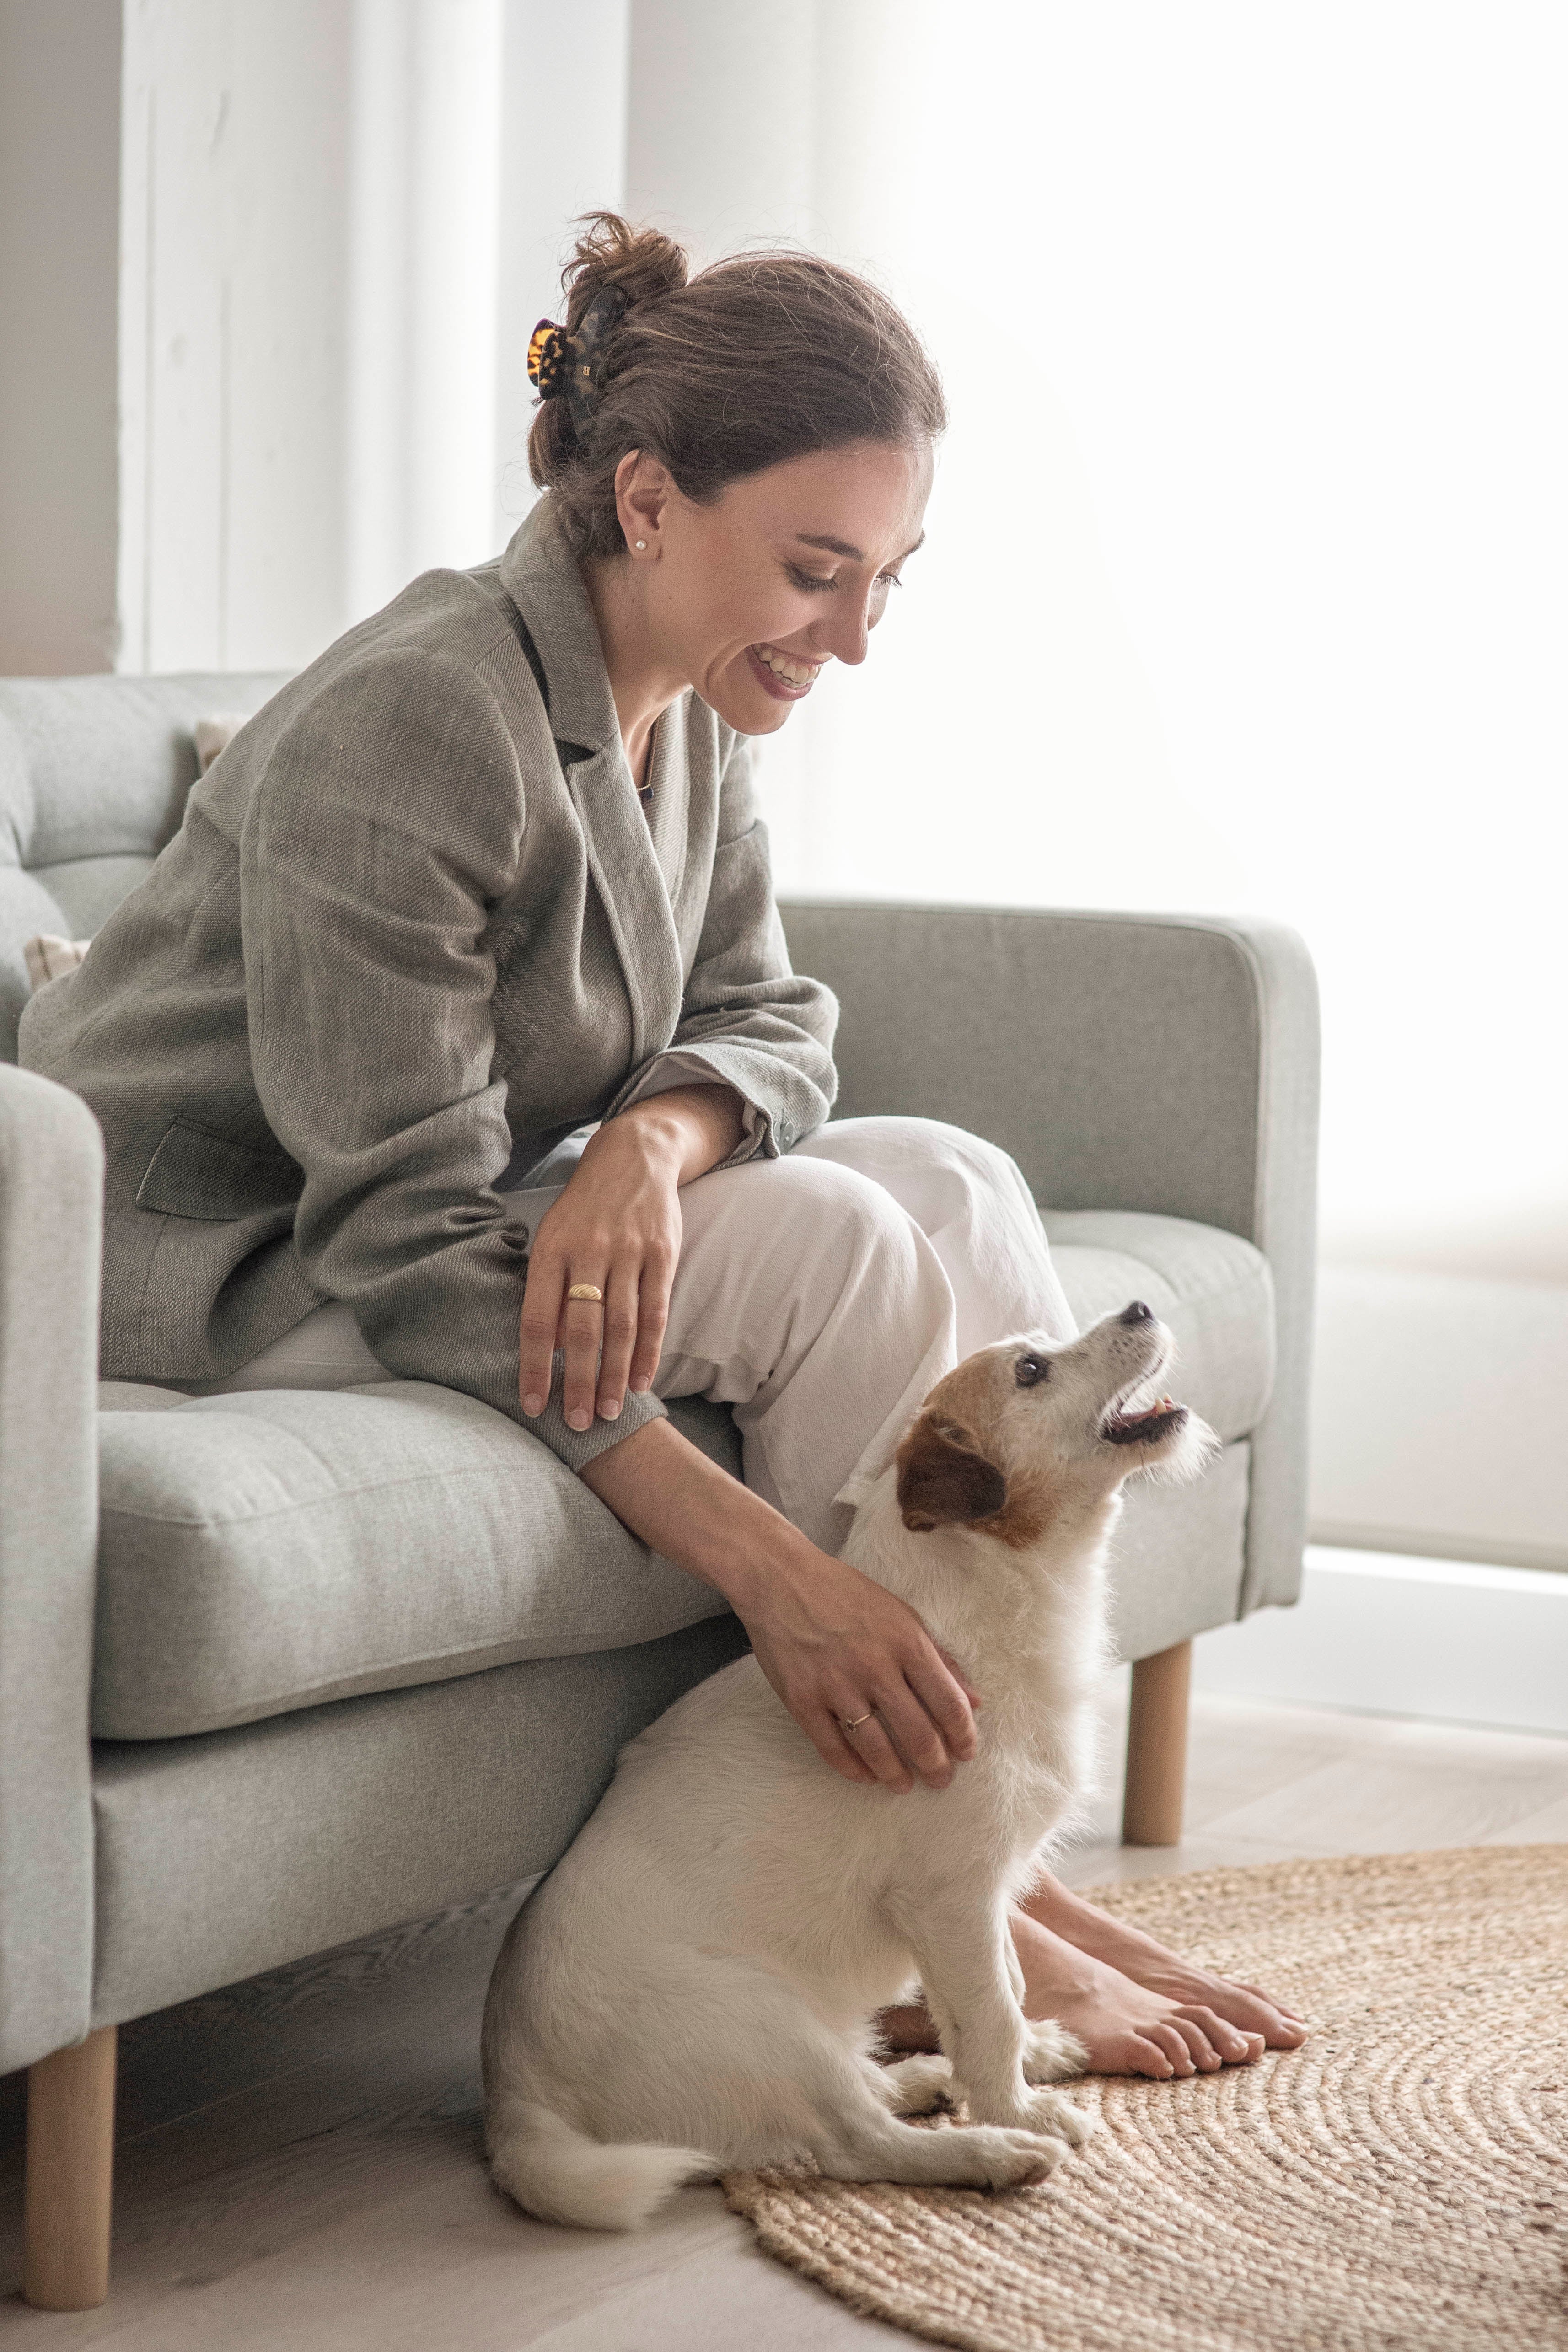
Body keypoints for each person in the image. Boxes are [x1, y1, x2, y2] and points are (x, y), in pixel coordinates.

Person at [21, 213, 1304, 2080]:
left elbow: (774, 1015)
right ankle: (971, 1897)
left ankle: (987, 1857)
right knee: (838, 1240)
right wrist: (788, 1583)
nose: (851, 636)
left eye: (886, 579)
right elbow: (399, 1229)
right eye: (814, 570)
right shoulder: (418, 716)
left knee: (948, 1175)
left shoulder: (689, 705)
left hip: (455, 1199)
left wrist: (651, 1137)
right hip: (223, 1264)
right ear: (642, 500)